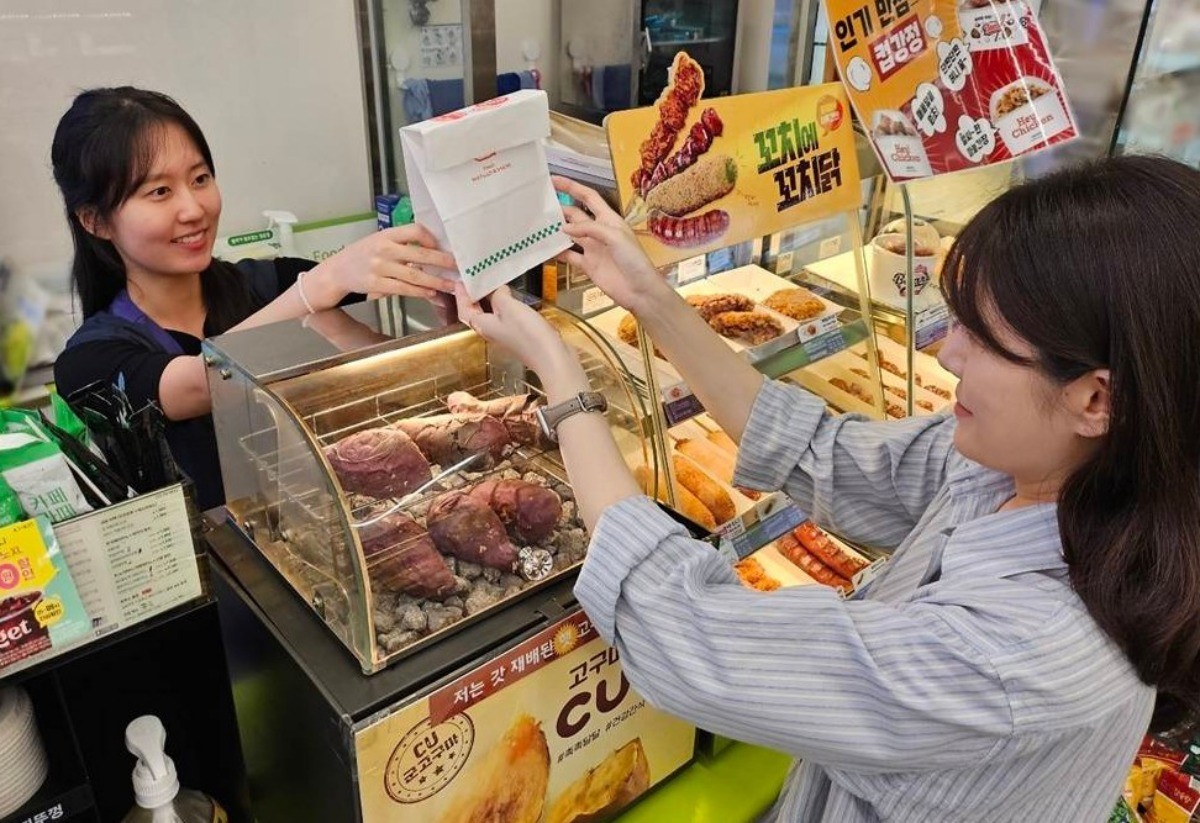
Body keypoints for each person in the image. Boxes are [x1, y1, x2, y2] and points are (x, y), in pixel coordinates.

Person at [454, 155, 1200, 821]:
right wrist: (647, 295)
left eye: (982, 336)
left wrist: (560, 376)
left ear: (1096, 399)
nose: (947, 353)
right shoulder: (1045, 475)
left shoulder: (1019, 653)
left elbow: (686, 633)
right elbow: (821, 452)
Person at [50, 87, 456, 510]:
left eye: (200, 179)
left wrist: (443, 293)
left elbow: (394, 339)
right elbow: (198, 384)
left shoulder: (269, 282)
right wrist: (316, 286)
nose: (194, 209)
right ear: (95, 220)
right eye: (159, 192)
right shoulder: (88, 363)